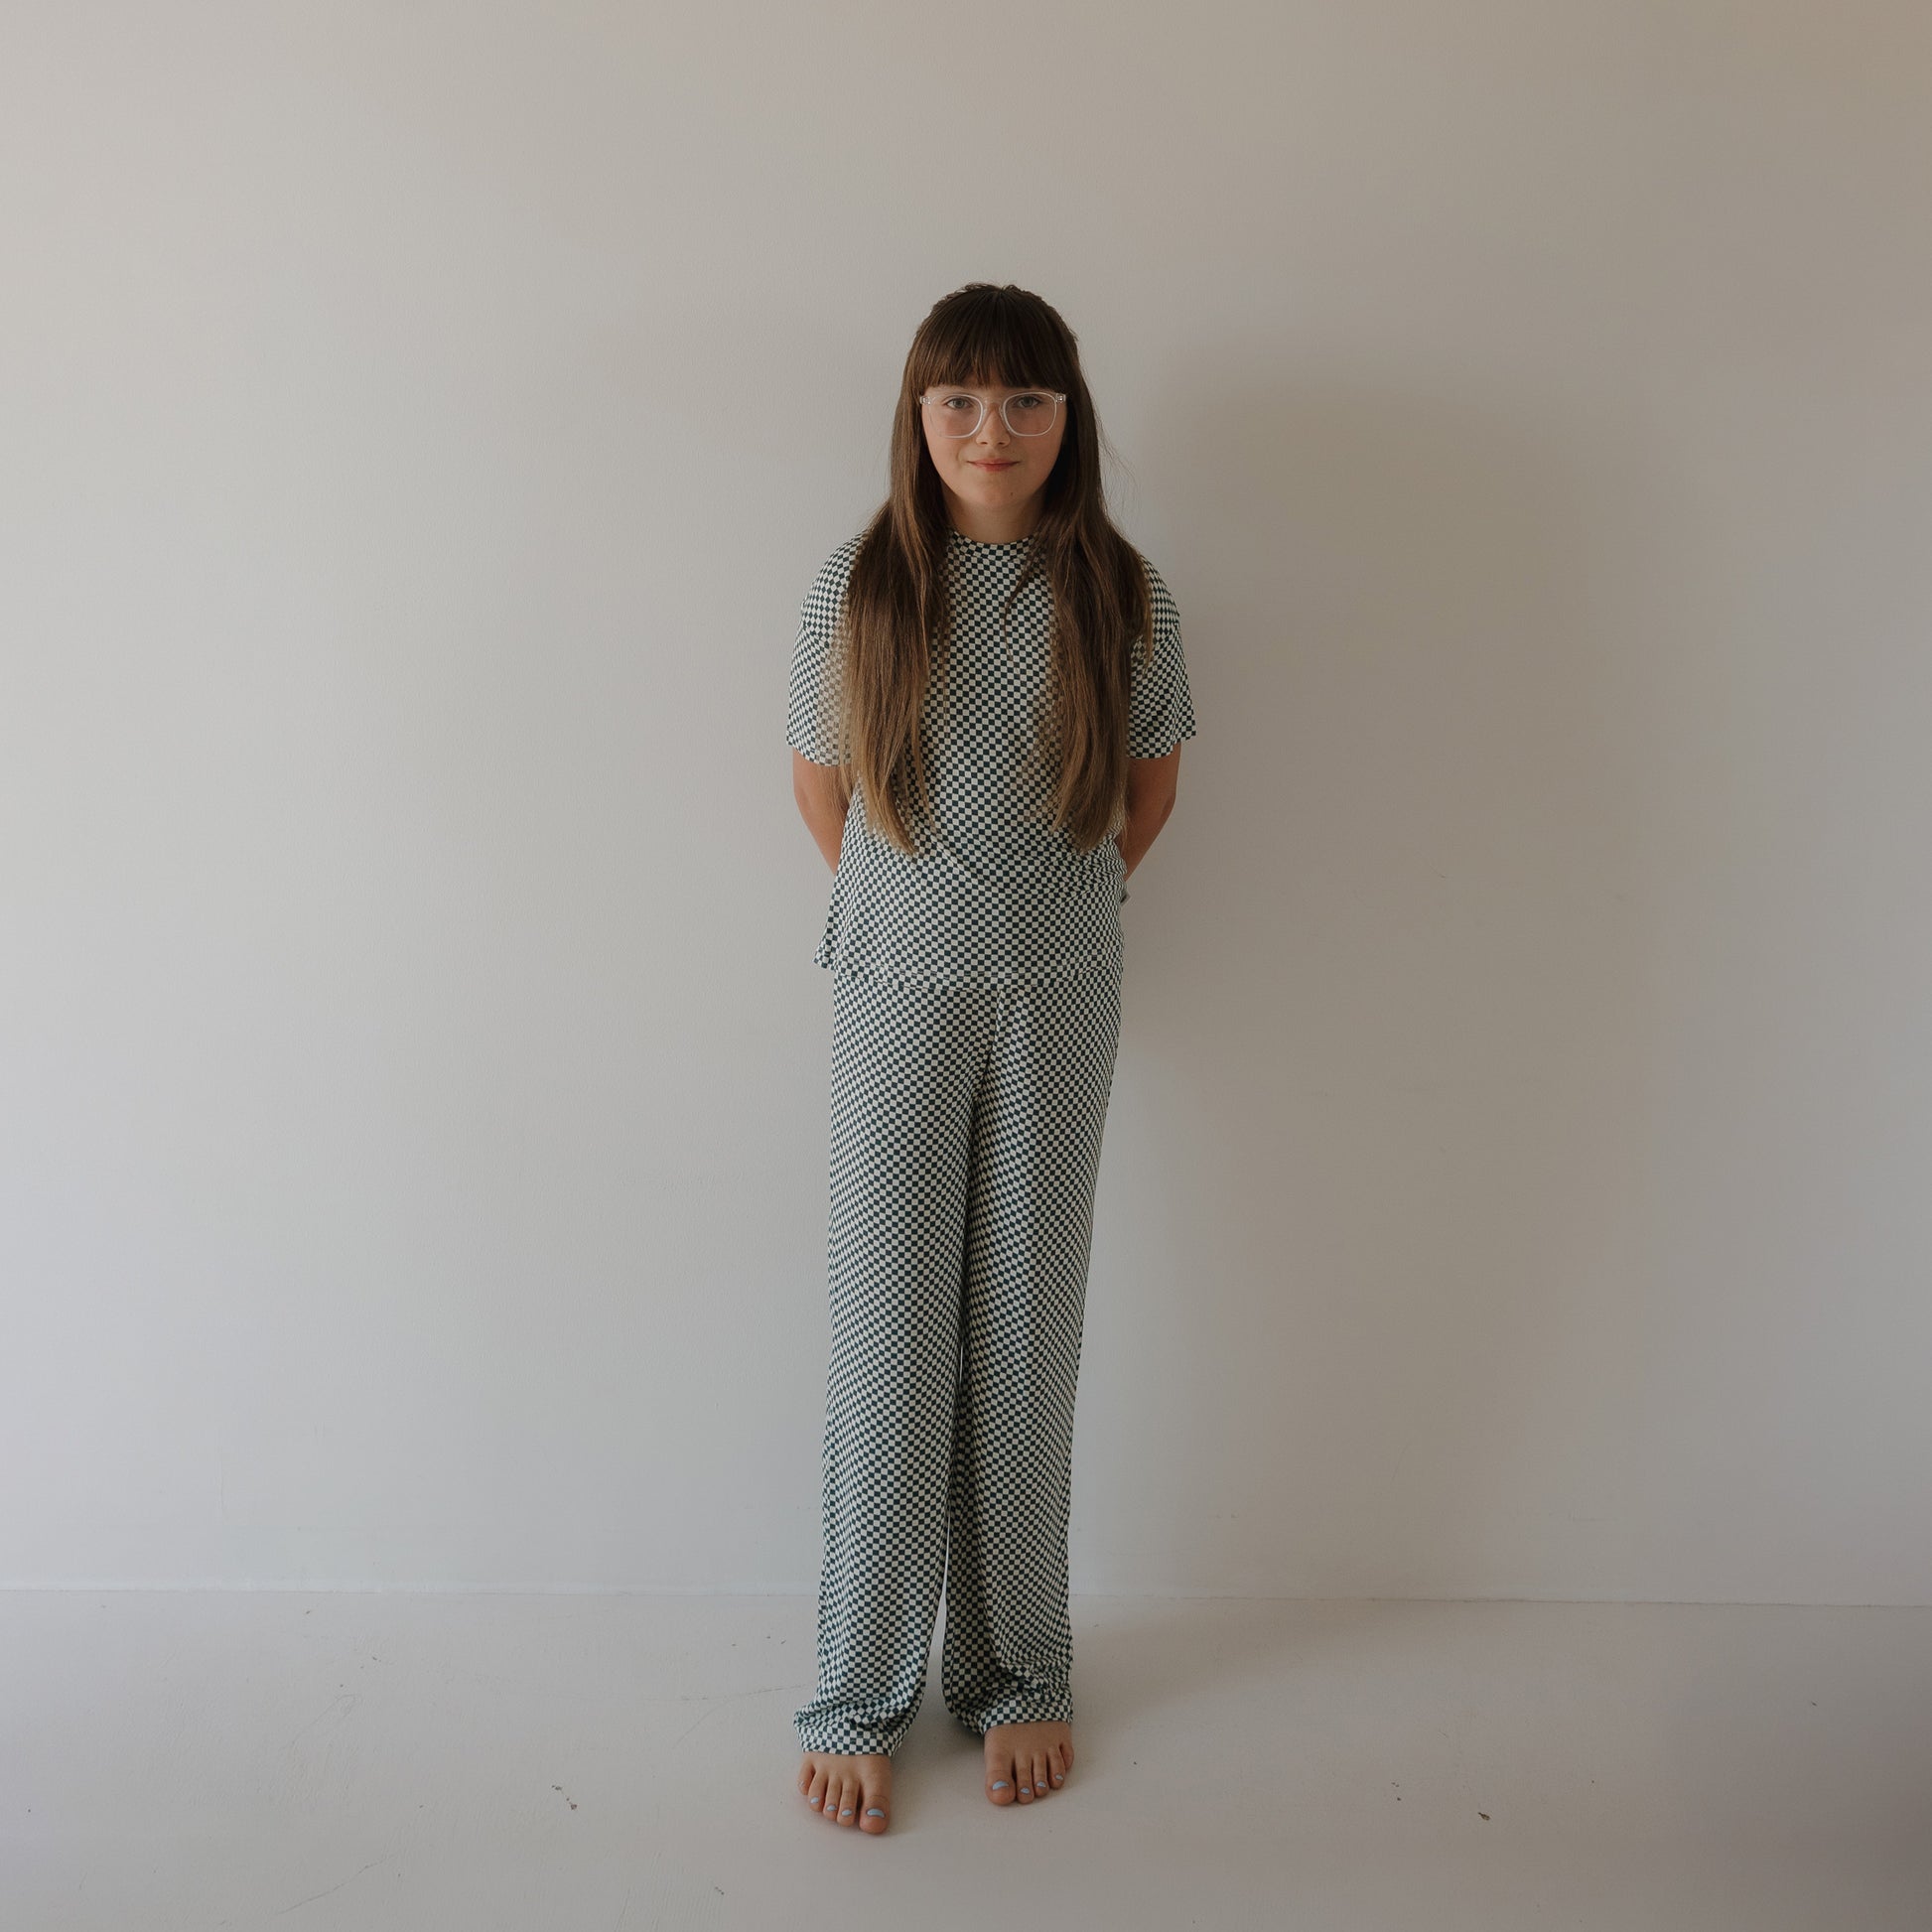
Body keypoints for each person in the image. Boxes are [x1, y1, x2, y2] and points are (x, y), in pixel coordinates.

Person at [786, 282, 1197, 1836]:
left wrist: (1039, 912)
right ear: (917, 414)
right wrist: (931, 913)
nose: (990, 429)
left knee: (1024, 1337)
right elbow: (822, 791)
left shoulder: (1125, 593)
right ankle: (857, 1691)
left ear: (1066, 417)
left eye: (1024, 399)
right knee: (891, 1346)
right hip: (897, 985)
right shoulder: (859, 588)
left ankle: (1018, 1669)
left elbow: (1144, 796)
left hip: (1060, 991)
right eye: (958, 399)